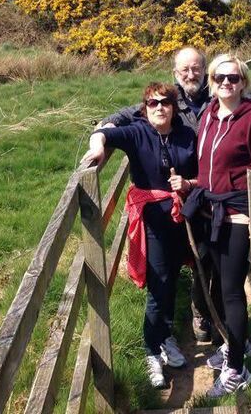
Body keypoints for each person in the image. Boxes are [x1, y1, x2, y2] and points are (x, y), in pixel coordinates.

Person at [100, 46, 251, 344]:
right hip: (188, 196)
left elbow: (250, 106)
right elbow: (131, 112)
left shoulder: (217, 97)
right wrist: (105, 130)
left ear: (205, 72)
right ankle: (201, 313)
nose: (191, 74)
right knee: (195, 257)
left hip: (216, 194)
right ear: (175, 74)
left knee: (216, 261)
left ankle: (221, 325)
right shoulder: (170, 99)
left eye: (196, 69)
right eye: (184, 70)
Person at [81, 82, 198, 389]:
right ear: (144, 108)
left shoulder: (187, 135)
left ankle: (167, 337)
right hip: (152, 220)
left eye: (165, 102)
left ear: (174, 107)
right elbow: (102, 132)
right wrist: (97, 148)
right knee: (158, 282)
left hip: (181, 215)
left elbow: (204, 170)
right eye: (152, 103)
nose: (159, 107)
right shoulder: (136, 132)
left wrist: (186, 183)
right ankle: (152, 351)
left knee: (172, 277)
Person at [182, 54, 251, 398]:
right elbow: (207, 165)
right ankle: (234, 345)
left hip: (236, 215)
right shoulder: (209, 113)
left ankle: (237, 370)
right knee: (219, 287)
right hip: (210, 213)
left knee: (233, 292)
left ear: (244, 82)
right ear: (211, 81)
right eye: (220, 78)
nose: (226, 83)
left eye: (233, 78)